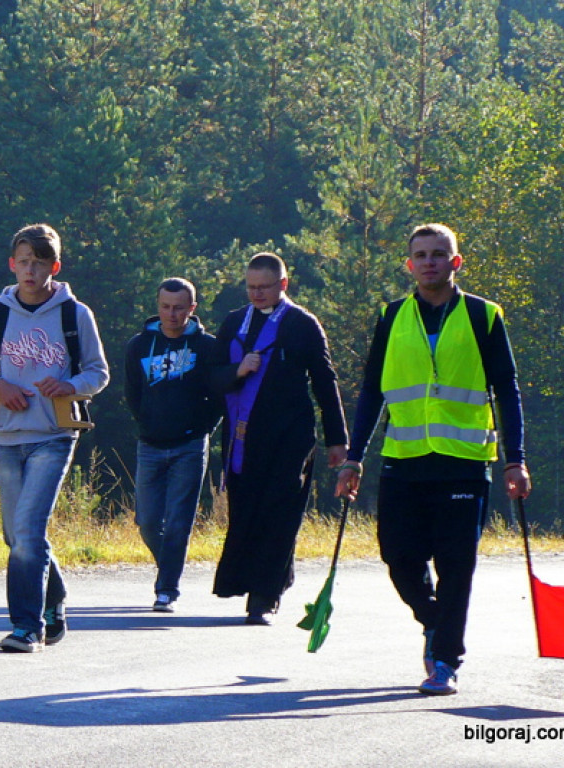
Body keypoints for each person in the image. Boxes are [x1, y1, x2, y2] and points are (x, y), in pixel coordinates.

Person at [336, 223, 531, 696]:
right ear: (409, 265)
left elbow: (507, 389)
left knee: (456, 566)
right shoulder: (391, 316)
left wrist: (516, 459)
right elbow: (372, 391)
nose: (429, 262)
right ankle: (435, 621)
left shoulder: (484, 315)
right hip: (404, 459)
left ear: (455, 262)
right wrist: (354, 458)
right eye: (421, 255)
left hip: (464, 462)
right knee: (398, 557)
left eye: (438, 254)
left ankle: (444, 661)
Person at [0, 223, 109, 652]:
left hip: (54, 435)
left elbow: (99, 373)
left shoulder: (75, 314)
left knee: (29, 532)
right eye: (24, 262)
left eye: (39, 263)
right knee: (15, 537)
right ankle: (55, 599)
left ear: (55, 267)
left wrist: (69, 385)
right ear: (12, 265)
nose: (30, 270)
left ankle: (26, 628)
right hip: (8, 436)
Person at [211, 252, 347, 625]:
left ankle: (264, 597)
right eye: (251, 287)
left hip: (290, 441)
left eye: (264, 287)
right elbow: (212, 378)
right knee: (247, 514)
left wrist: (337, 440)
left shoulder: (303, 324)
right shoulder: (234, 322)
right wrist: (237, 371)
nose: (256, 294)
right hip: (243, 441)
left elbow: (325, 382)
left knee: (280, 516)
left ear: (283, 284)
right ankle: (252, 583)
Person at [124, 277, 220, 612]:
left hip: (189, 446)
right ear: (158, 306)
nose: (172, 314)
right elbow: (132, 392)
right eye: (165, 307)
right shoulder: (139, 345)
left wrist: (202, 428)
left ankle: (167, 589)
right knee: (148, 522)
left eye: (179, 308)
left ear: (191, 308)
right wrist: (146, 422)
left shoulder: (207, 346)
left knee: (179, 522)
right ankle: (168, 567)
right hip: (150, 444)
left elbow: (219, 395)